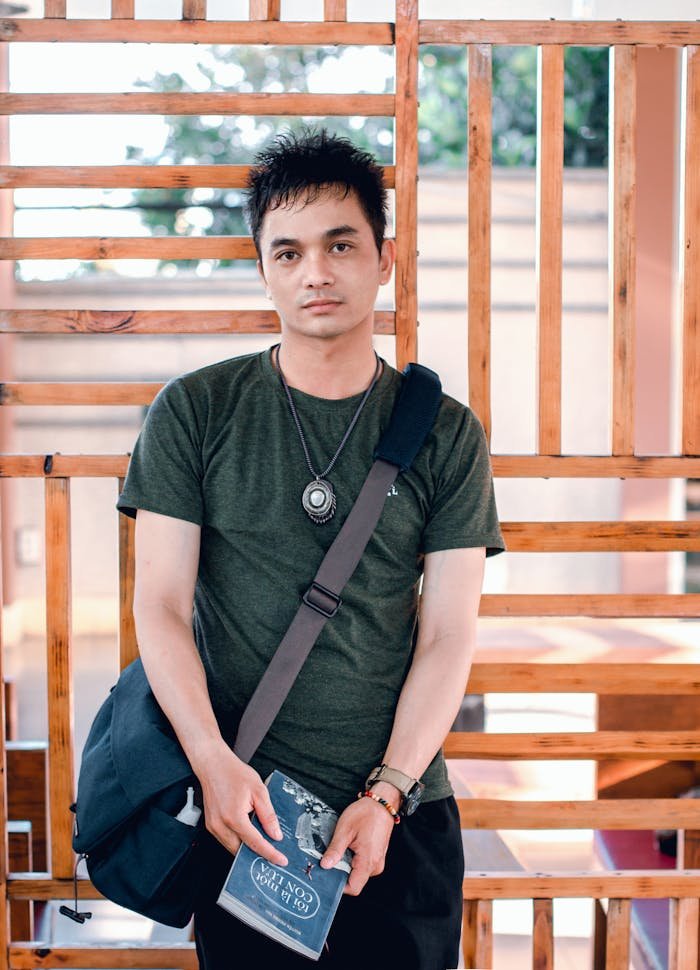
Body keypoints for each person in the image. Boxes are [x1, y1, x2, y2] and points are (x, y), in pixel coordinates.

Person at [117, 128, 505, 969]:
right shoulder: (195, 412)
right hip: (247, 809)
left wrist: (389, 793)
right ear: (263, 268)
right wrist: (211, 761)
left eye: (340, 245)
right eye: (287, 252)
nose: (315, 273)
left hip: (399, 816)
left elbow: (448, 633)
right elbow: (159, 606)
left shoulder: (445, 433)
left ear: (383, 257)